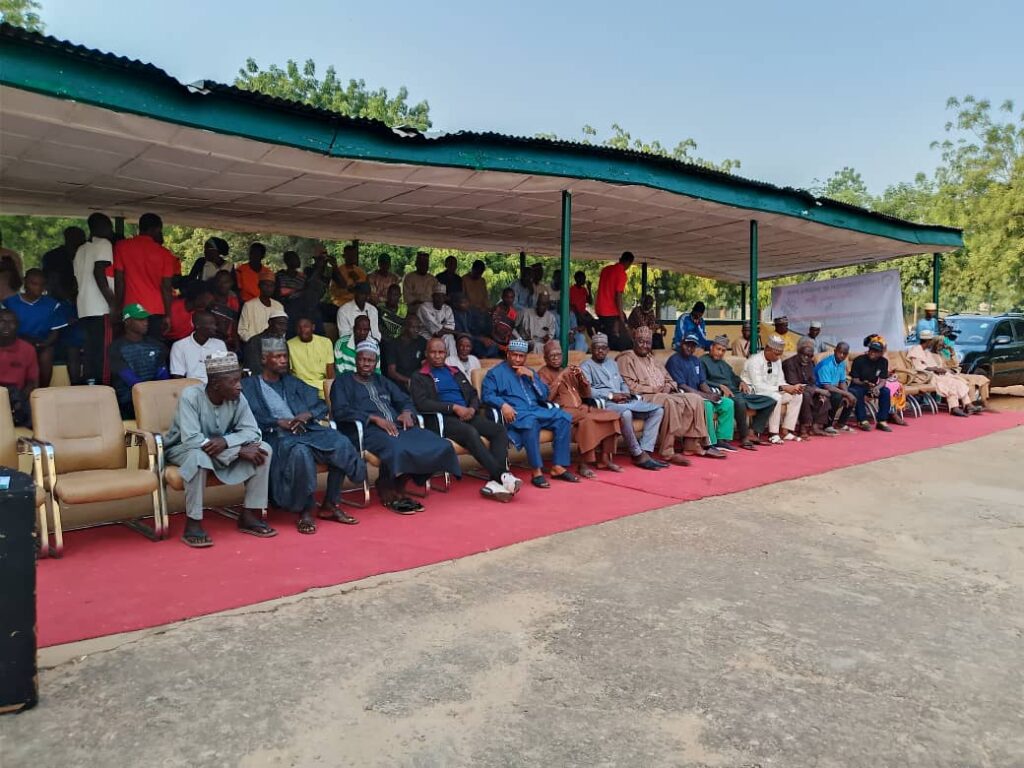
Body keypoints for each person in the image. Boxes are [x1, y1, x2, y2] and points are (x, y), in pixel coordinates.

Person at [242, 338, 366, 532]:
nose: (284, 361)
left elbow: (322, 405)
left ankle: (330, 505)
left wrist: (307, 415)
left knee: (340, 442)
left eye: (285, 356)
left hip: (307, 432)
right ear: (265, 359)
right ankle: (305, 512)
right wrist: (277, 422)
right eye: (278, 357)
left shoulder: (293, 382)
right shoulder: (249, 386)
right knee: (301, 453)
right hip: (276, 438)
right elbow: (247, 419)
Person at [332, 339, 461, 513]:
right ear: (356, 360)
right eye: (362, 359)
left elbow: (404, 399)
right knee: (396, 447)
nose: (365, 364)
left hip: (397, 426)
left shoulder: (381, 380)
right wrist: (374, 419)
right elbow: (340, 411)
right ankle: (386, 487)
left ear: (376, 362)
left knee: (441, 445)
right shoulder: (342, 382)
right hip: (365, 430)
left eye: (370, 361)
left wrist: (407, 412)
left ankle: (401, 482)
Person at [164, 351, 276, 547]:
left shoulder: (238, 397)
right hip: (183, 449)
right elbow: (191, 439)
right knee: (198, 457)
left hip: (219, 449)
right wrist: (236, 450)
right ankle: (193, 522)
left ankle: (250, 514)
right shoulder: (190, 396)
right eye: (233, 381)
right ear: (216, 384)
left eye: (239, 380)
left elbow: (252, 431)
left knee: (263, 449)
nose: (239, 386)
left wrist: (227, 441)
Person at [410, 337, 518, 502]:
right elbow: (422, 403)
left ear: (446, 353)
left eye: (441, 352)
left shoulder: (454, 371)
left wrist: (472, 409)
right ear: (426, 353)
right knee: (470, 432)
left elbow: (473, 394)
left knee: (499, 430)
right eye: (433, 352)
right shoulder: (419, 376)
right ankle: (502, 475)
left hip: (467, 414)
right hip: (442, 420)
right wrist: (453, 408)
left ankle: (495, 482)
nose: (437, 356)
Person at [616, 326, 725, 463]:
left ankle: (692, 444)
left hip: (664, 393)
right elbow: (631, 387)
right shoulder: (626, 359)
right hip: (644, 397)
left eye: (648, 343)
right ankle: (667, 451)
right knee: (670, 402)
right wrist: (657, 389)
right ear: (634, 341)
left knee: (695, 399)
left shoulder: (653, 359)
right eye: (641, 342)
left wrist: (667, 386)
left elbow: (671, 381)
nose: (644, 346)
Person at [482, 338, 578, 487]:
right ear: (508, 354)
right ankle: (537, 471)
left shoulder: (530, 372)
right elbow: (487, 395)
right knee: (530, 423)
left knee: (564, 418)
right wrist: (503, 405)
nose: (517, 359)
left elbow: (544, 395)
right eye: (514, 355)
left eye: (521, 356)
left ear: (526, 357)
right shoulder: (495, 373)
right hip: (517, 412)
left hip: (535, 409)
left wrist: (532, 378)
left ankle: (558, 466)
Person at [579, 333, 665, 469]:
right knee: (626, 414)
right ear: (591, 348)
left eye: (603, 348)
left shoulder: (612, 363)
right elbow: (587, 391)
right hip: (606, 404)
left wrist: (625, 392)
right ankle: (636, 453)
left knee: (658, 411)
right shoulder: (586, 366)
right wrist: (611, 396)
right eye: (597, 348)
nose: (600, 350)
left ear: (607, 349)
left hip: (624, 401)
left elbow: (622, 382)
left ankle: (645, 451)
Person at [538, 340, 623, 477]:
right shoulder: (542, 373)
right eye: (552, 356)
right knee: (588, 421)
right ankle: (583, 465)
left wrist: (582, 379)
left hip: (581, 409)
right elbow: (546, 397)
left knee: (613, 415)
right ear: (545, 358)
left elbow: (586, 394)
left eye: (558, 355)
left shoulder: (567, 371)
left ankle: (605, 459)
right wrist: (560, 377)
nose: (556, 358)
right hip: (563, 412)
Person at [701, 335, 776, 451]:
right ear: (711, 348)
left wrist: (741, 382)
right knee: (740, 402)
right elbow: (702, 381)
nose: (720, 353)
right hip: (724, 394)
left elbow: (734, 377)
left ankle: (753, 431)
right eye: (718, 349)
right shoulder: (703, 361)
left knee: (770, 401)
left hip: (738, 392)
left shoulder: (723, 363)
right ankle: (744, 437)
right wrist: (719, 386)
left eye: (723, 350)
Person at [666, 334, 737, 451]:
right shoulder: (674, 360)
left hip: (700, 395)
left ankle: (721, 439)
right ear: (681, 344)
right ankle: (710, 442)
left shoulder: (695, 360)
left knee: (727, 403)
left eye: (693, 346)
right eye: (687, 345)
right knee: (707, 405)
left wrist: (711, 394)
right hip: (685, 397)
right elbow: (681, 385)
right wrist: (706, 396)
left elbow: (702, 382)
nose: (689, 348)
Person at [114, 213, 177, 339]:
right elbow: (166, 287)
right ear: (156, 229)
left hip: (130, 309)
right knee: (153, 348)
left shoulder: (122, 246)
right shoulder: (165, 254)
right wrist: (168, 315)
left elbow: (119, 280)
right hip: (156, 309)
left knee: (130, 348)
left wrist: (117, 307)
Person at [4, 268, 68, 387]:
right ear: (25, 282)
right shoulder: (10, 303)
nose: (38, 288)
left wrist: (43, 344)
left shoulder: (52, 304)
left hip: (41, 343)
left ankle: (42, 391)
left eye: (41, 284)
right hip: (17, 342)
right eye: (33, 283)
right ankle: (16, 392)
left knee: (47, 354)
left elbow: (55, 332)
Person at [73, 212, 116, 384]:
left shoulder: (81, 249)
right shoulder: (104, 244)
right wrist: (112, 303)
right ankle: (104, 387)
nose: (111, 230)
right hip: (100, 306)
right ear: (99, 228)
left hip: (84, 308)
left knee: (91, 350)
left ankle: (90, 383)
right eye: (108, 226)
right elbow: (99, 272)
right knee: (104, 353)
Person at [107, 304, 170, 418]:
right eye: (140, 319)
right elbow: (130, 379)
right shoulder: (116, 347)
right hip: (128, 401)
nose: (145, 322)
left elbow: (163, 375)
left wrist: (159, 394)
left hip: (155, 398)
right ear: (127, 322)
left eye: (146, 319)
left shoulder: (156, 345)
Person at [741, 335, 804, 443]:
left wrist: (791, 388)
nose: (778, 357)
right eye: (776, 354)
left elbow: (780, 380)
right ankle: (773, 433)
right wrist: (782, 388)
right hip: (755, 394)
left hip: (773, 390)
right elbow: (758, 386)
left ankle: (786, 431)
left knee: (797, 395)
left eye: (780, 354)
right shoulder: (754, 361)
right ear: (767, 349)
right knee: (776, 397)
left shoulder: (777, 361)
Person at [907, 330, 977, 417]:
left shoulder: (927, 352)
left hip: (935, 374)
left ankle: (968, 405)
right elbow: (917, 367)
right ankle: (954, 407)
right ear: (928, 341)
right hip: (924, 376)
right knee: (949, 383)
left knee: (957, 382)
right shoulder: (916, 350)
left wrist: (939, 369)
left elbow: (936, 365)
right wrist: (934, 369)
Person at [782, 338, 832, 437]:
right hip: (791, 390)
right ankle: (803, 427)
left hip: (807, 389)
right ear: (798, 352)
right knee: (805, 395)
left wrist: (818, 391)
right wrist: (816, 390)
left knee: (823, 396)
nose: (806, 358)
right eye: (804, 355)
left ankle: (815, 427)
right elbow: (793, 383)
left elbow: (812, 381)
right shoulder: (789, 363)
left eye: (809, 356)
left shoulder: (810, 363)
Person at [848, 339, 898, 431]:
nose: (872, 352)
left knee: (886, 391)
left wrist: (877, 388)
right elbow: (854, 379)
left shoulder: (883, 362)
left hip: (872, 386)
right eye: (871, 350)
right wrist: (864, 383)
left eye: (876, 351)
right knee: (858, 392)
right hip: (858, 385)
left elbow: (883, 380)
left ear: (881, 353)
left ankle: (882, 421)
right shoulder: (859, 360)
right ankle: (862, 420)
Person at [0, 309, 37, 427]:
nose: (6, 326)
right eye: (2, 321)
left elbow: (32, 381)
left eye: (11, 322)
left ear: (17, 325)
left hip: (17, 395)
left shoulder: (27, 349)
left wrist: (20, 399)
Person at [170, 310, 227, 383]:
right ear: (197, 325)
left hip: (215, 388)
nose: (215, 327)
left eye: (215, 324)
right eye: (211, 324)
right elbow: (177, 376)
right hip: (190, 389)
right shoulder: (179, 346)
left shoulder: (220, 344)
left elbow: (225, 373)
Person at [814, 342, 857, 433]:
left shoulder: (842, 364)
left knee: (853, 394)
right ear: (834, 351)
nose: (841, 355)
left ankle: (841, 423)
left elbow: (842, 382)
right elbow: (827, 386)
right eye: (839, 352)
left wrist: (847, 394)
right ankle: (827, 425)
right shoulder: (826, 364)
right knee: (837, 396)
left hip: (831, 388)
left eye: (844, 354)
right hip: (819, 390)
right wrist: (846, 393)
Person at [595, 251, 634, 350]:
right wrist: (621, 316)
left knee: (606, 336)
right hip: (610, 311)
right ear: (629, 263)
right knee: (619, 340)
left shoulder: (605, 269)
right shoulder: (621, 274)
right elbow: (618, 295)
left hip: (600, 309)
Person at [288, 317, 334, 396]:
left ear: (313, 327)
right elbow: (289, 372)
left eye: (306, 326)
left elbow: (330, 371)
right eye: (299, 327)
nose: (302, 330)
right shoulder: (289, 344)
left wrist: (331, 390)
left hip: (322, 386)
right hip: (301, 388)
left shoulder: (326, 342)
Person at [41, 225, 85, 305]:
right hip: (58, 302)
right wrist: (69, 299)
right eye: (78, 238)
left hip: (82, 301)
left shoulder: (85, 255)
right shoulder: (53, 257)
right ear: (68, 239)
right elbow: (52, 280)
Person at [382, 315, 426, 390]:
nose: (416, 330)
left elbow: (426, 363)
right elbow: (391, 372)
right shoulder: (393, 344)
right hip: (399, 383)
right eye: (413, 327)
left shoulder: (422, 341)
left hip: (417, 381)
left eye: (418, 327)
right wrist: (408, 381)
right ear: (405, 327)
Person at [238, 276, 285, 342]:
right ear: (259, 286)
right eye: (265, 285)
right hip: (253, 345)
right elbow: (242, 330)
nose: (268, 288)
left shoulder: (279, 306)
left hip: (274, 346)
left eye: (271, 285)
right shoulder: (248, 305)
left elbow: (282, 329)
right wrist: (255, 342)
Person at [417, 282, 458, 357]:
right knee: (447, 337)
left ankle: (452, 364)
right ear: (432, 296)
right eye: (437, 296)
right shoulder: (424, 307)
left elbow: (449, 329)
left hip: (442, 338)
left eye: (442, 296)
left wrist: (450, 332)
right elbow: (437, 331)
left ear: (445, 298)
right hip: (425, 337)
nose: (440, 299)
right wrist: (458, 333)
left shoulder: (447, 309)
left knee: (449, 337)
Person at [452, 292, 498, 358]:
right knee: (479, 348)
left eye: (467, 302)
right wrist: (480, 339)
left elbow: (477, 328)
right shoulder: (454, 315)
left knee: (493, 346)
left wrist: (485, 337)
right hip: (463, 340)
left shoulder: (470, 312)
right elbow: (461, 333)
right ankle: (482, 360)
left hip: (475, 338)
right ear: (456, 304)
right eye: (463, 303)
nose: (466, 304)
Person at [243, 310, 289, 375]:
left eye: (285, 325)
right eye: (280, 324)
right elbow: (254, 368)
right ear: (270, 322)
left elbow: (285, 367)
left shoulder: (283, 342)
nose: (283, 328)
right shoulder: (255, 341)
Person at [275, 250, 310, 331]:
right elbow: (278, 293)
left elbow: (305, 293)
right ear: (287, 261)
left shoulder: (303, 277)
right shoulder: (279, 276)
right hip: (283, 304)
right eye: (294, 258)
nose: (298, 261)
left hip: (299, 305)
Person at [209, 270, 242, 351]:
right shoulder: (209, 300)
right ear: (215, 283)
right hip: (210, 341)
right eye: (219, 282)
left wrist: (236, 344)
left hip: (228, 342)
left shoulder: (233, 300)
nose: (222, 285)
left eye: (226, 282)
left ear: (231, 283)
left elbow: (234, 322)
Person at [491, 287, 520, 354]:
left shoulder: (513, 313)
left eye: (511, 297)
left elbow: (510, 330)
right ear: (502, 297)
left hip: (506, 340)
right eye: (507, 297)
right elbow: (491, 330)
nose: (509, 300)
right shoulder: (495, 310)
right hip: (495, 340)